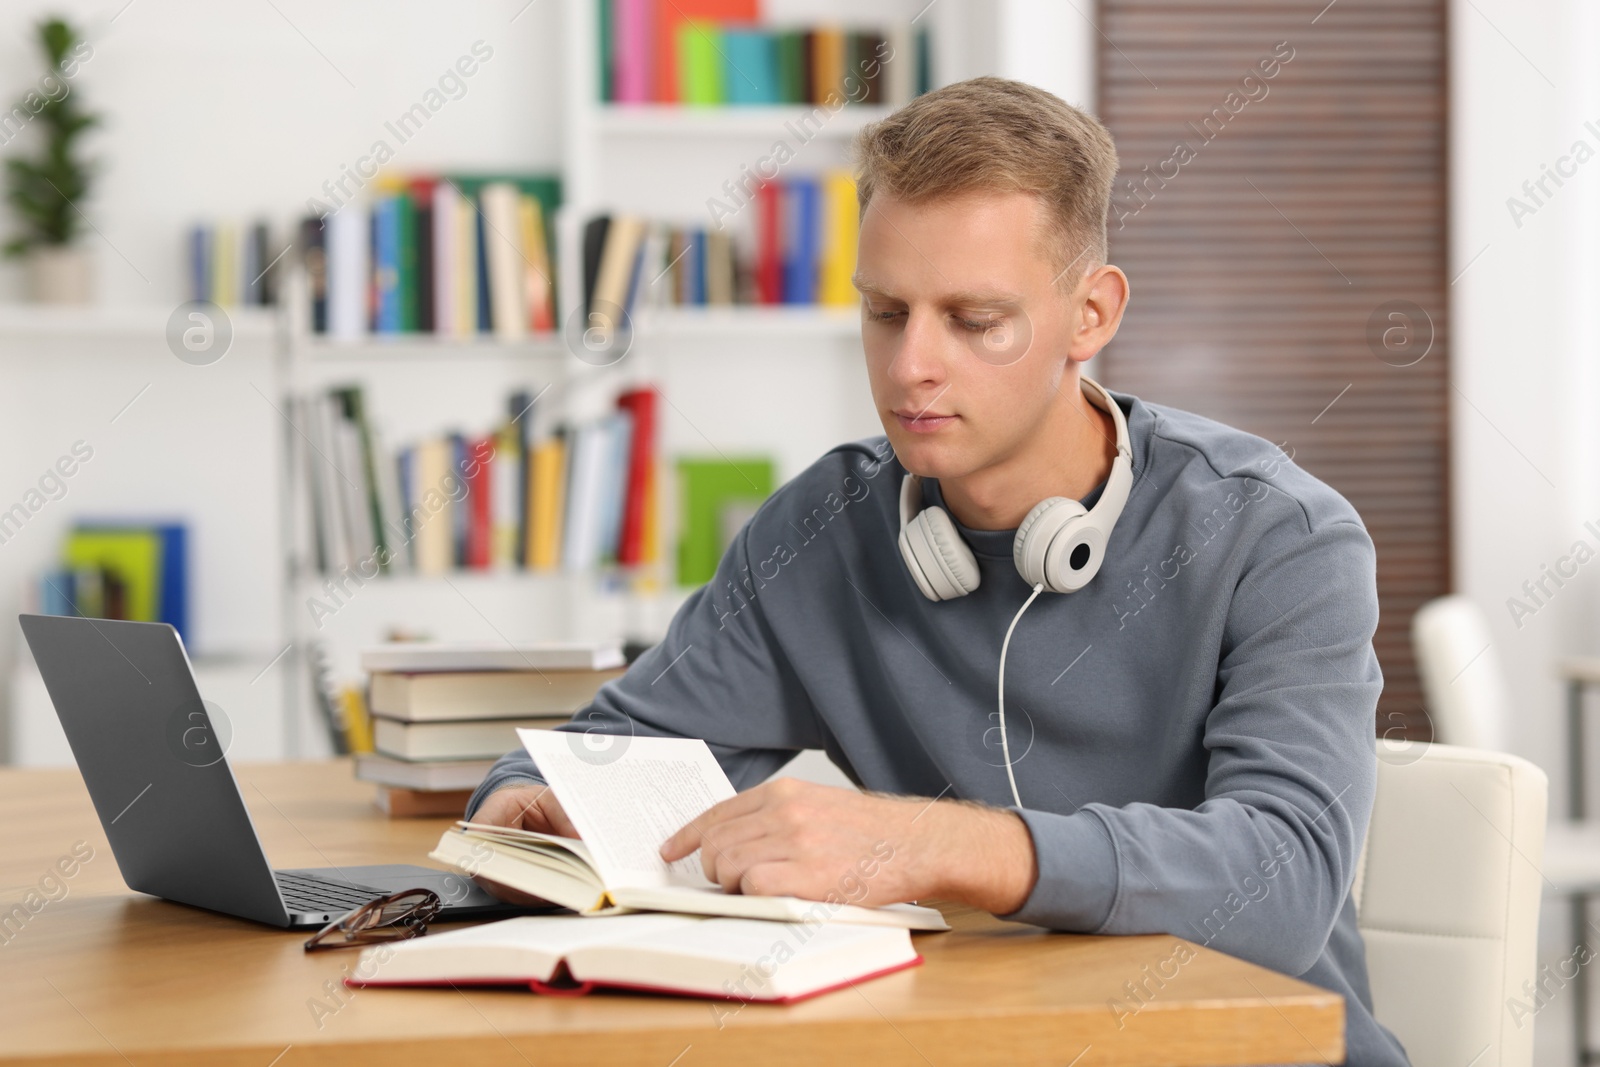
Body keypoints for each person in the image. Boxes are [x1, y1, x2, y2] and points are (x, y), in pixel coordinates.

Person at [467, 76, 1409, 1066]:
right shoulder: (822, 529)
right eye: (884, 311)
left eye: (973, 319)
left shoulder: (1278, 534)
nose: (910, 364)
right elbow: (611, 746)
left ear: (1090, 314)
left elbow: (1285, 881)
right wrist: (522, 801)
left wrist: (931, 844)